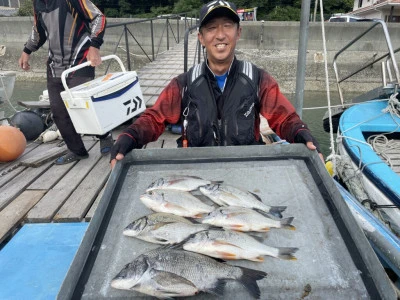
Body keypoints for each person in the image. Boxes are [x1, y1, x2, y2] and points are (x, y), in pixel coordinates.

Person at [110, 0, 322, 168]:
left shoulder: (258, 79)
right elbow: (154, 118)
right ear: (201, 38)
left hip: (247, 167)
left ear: (238, 33)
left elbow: (284, 118)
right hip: (198, 172)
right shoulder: (183, 84)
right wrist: (131, 136)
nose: (220, 35)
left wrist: (300, 133)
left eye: (227, 26)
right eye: (211, 28)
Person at [18, 0, 113, 165]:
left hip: (81, 59)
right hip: (55, 65)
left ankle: (105, 136)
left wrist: (95, 46)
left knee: (84, 106)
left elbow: (99, 17)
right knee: (58, 111)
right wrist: (27, 50)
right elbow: (38, 31)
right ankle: (77, 151)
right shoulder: (37, 4)